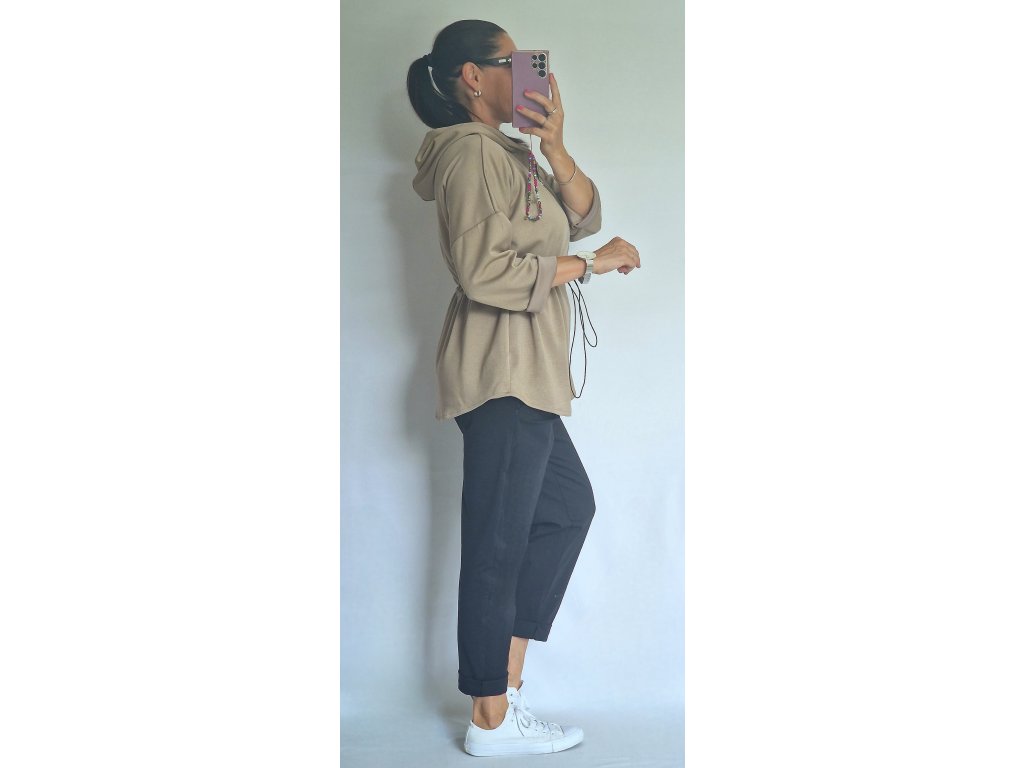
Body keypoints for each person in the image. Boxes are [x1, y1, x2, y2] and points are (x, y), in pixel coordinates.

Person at [406, 20, 641, 757]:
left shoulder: (513, 152)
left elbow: (584, 215)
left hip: (528, 371)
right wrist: (591, 266)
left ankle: (503, 694)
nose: (529, 73)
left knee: (566, 509)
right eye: (512, 62)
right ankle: (488, 720)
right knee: (498, 541)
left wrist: (555, 144)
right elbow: (485, 273)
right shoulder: (470, 154)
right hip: (499, 367)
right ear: (472, 77)